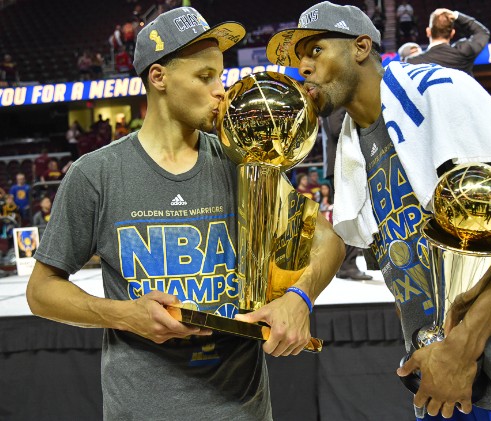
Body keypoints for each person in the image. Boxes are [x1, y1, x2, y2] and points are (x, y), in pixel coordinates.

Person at [266, 2, 491, 419]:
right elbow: (401, 266)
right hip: (444, 381)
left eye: (315, 50)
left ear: (361, 47)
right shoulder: (351, 147)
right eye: (298, 58)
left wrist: (463, 347)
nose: (303, 67)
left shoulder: (439, 90)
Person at [26, 7, 344, 420]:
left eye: (221, 77)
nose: (221, 92)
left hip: (243, 411)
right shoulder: (96, 173)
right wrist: (126, 315)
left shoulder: (241, 160)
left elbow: (328, 241)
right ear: (158, 77)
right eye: (205, 76)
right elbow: (41, 291)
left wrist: (299, 299)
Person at [321, 106, 373, 281]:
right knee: (350, 214)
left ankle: (343, 264)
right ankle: (347, 265)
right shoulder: (336, 105)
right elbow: (337, 129)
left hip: (341, 164)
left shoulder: (333, 104)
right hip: (341, 165)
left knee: (348, 214)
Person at [407, 8, 489, 77]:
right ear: (452, 33)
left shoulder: (413, 62)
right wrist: (456, 15)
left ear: (428, 32)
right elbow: (482, 33)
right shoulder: (464, 52)